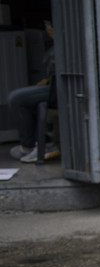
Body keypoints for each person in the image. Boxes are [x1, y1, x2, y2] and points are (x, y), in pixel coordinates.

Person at [8, 24, 56, 163]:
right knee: (26, 98)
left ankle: (30, 145)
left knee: (16, 98)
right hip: (54, 87)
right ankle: (40, 142)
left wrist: (49, 81)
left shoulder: (65, 44)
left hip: (61, 90)